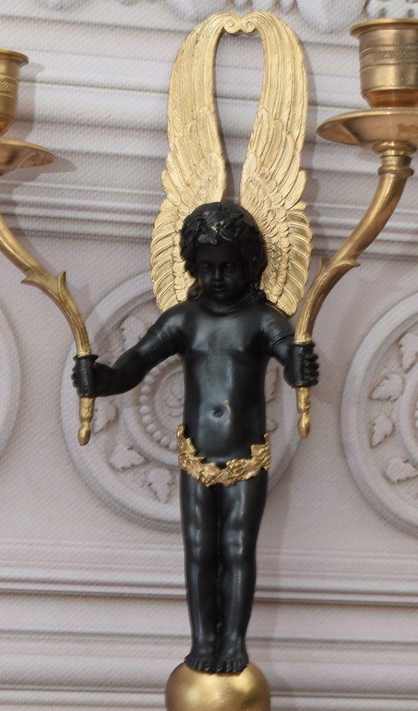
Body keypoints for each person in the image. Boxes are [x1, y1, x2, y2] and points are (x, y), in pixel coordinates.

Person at [73, 201, 318, 674]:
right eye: (207, 268)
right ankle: (203, 639)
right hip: (196, 456)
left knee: (238, 548)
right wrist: (99, 379)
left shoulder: (263, 320)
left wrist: (300, 366)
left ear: (251, 264)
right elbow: (132, 366)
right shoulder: (183, 319)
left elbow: (290, 361)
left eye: (228, 266)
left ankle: (233, 640)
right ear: (191, 266)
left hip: (247, 455)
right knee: (200, 549)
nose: (218, 278)